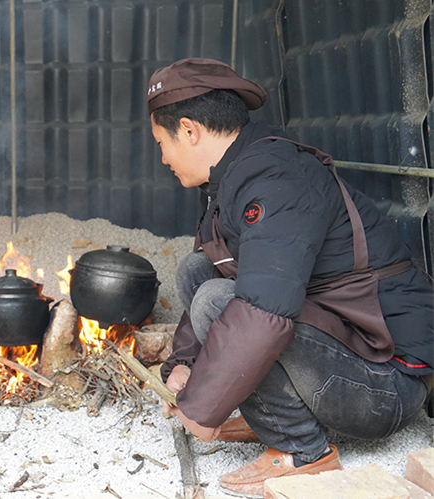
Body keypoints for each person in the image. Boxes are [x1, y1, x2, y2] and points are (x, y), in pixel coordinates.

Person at [149, 58, 433, 497]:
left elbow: (263, 308)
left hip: (387, 382)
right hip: (347, 351)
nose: (163, 158)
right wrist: (186, 363)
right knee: (199, 270)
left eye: (161, 142)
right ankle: (273, 419)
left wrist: (201, 406)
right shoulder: (231, 179)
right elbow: (225, 269)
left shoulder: (275, 177)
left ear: (189, 130)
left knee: (219, 301)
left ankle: (301, 449)